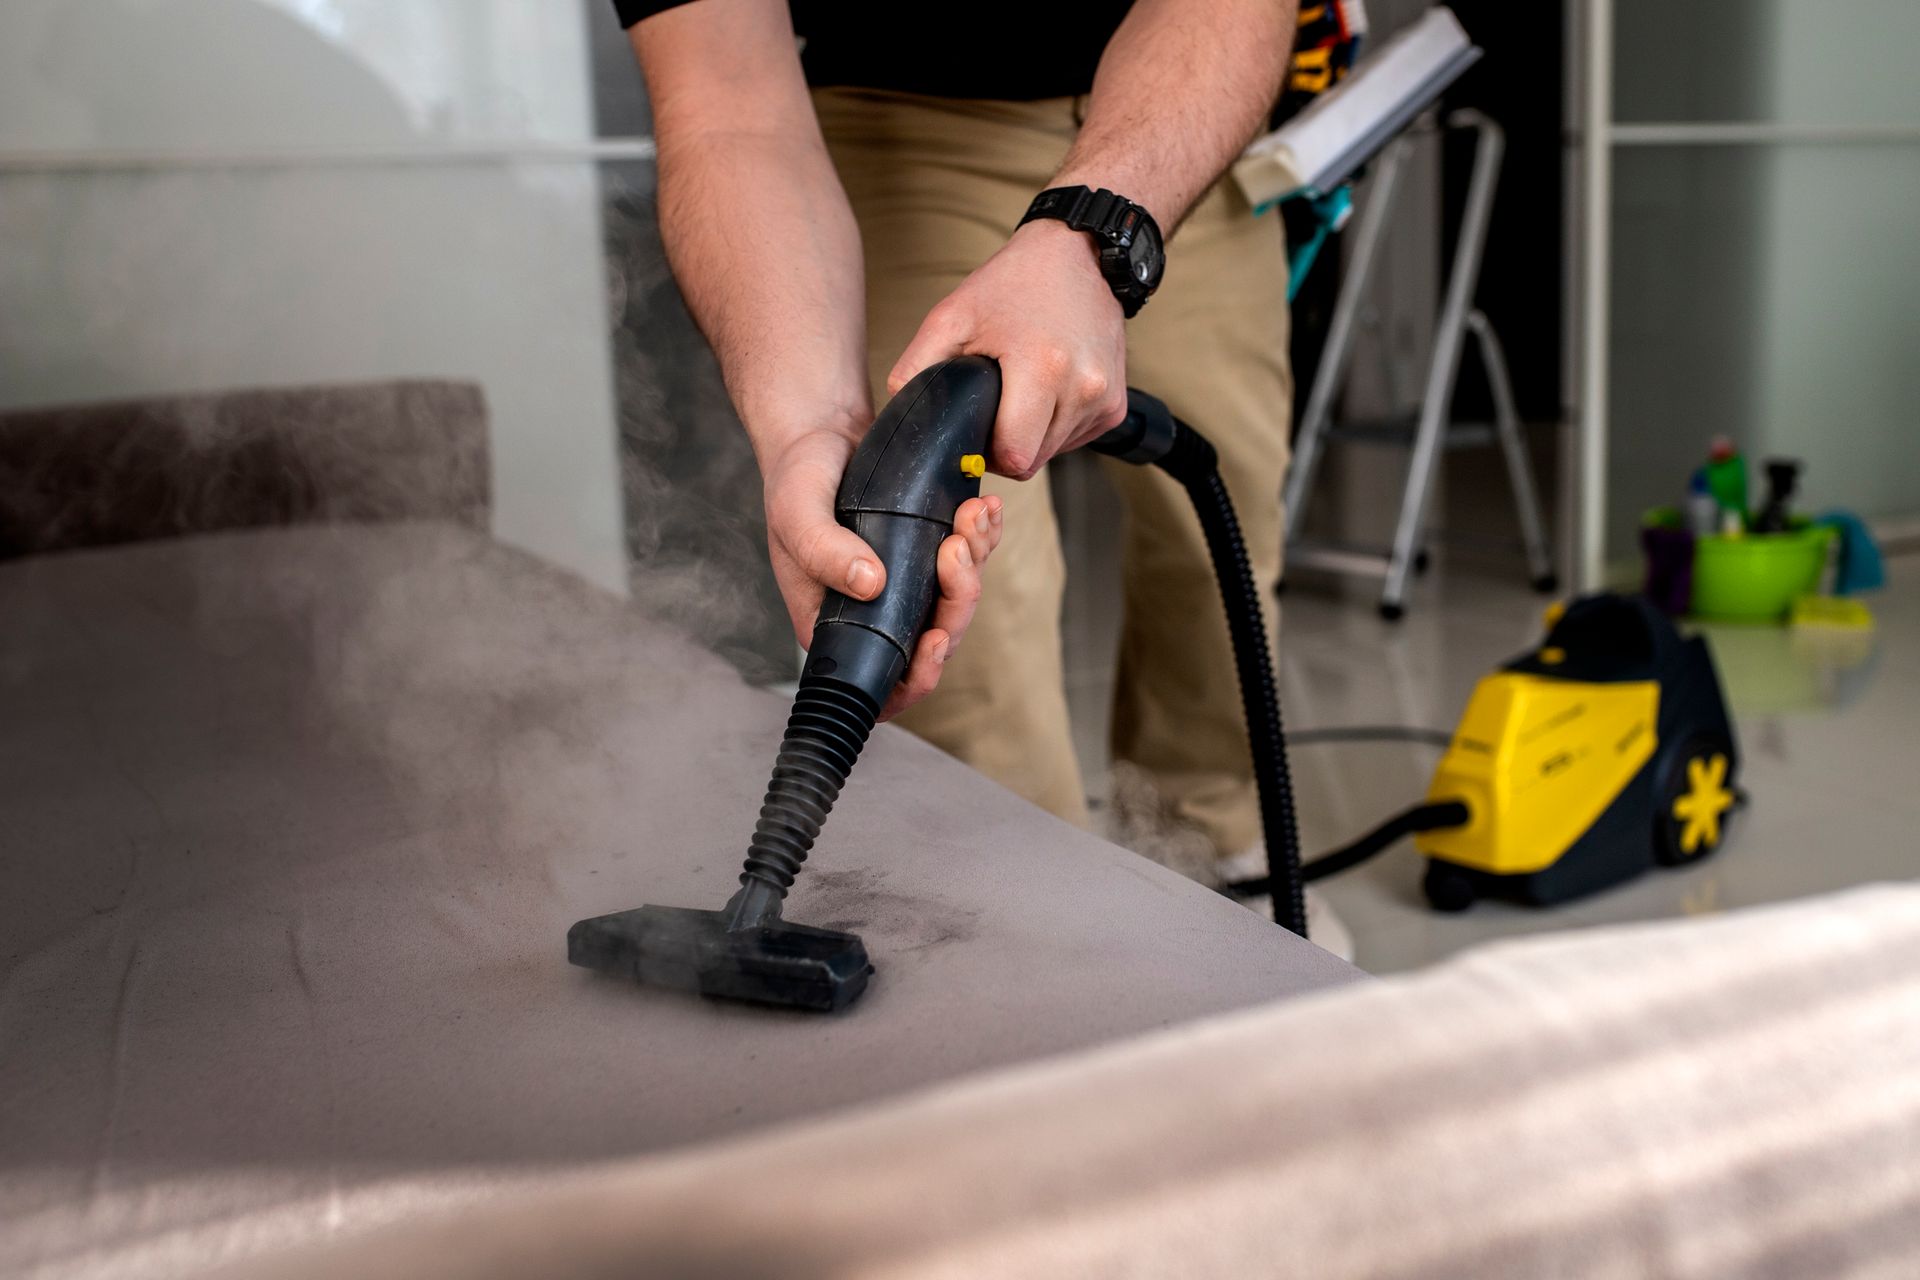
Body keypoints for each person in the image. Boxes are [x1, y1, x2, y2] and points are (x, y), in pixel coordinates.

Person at [615, 0, 1357, 952]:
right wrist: (810, 429)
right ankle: (1033, 936)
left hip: (1183, 95)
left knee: (1221, 535)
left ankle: (1215, 848)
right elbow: (728, 101)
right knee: (966, 621)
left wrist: (1089, 229)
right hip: (902, 124)